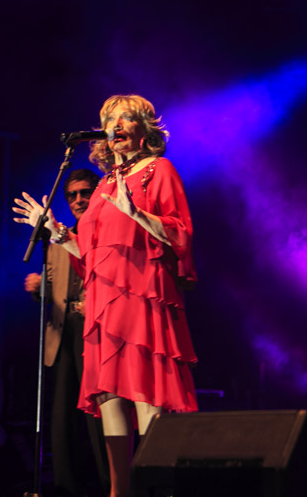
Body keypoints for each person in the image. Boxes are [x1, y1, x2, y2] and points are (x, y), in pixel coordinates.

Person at [14, 94, 198, 497]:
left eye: (127, 117)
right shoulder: (104, 186)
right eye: (110, 119)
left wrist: (137, 214)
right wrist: (56, 233)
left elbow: (180, 234)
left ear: (145, 129)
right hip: (104, 303)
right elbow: (91, 253)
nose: (116, 124)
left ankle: (153, 489)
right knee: (110, 398)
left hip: (142, 296)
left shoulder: (159, 170)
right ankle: (120, 491)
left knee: (148, 393)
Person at [23, 168, 108, 497]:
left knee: (100, 412)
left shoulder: (103, 232)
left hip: (95, 330)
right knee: (61, 416)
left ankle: (110, 484)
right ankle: (65, 488)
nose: (78, 200)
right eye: (72, 195)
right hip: (63, 331)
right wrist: (38, 288)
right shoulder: (59, 238)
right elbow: (52, 283)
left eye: (84, 192)